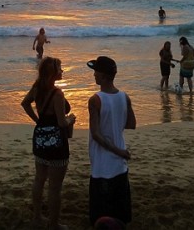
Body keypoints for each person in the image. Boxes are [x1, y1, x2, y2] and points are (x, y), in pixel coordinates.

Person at [21, 56, 75, 230]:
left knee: (39, 178)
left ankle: (37, 217)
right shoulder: (57, 94)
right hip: (56, 141)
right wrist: (71, 119)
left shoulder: (37, 88)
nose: (62, 71)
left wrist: (38, 120)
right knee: (55, 187)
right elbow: (61, 122)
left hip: (40, 137)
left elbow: (25, 103)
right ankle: (54, 224)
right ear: (54, 73)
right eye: (60, 68)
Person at [87, 56, 136, 227]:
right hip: (119, 164)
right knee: (120, 214)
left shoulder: (95, 100)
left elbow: (96, 134)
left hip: (102, 163)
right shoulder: (124, 97)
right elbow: (131, 124)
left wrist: (117, 150)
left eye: (96, 72)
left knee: (101, 217)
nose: (94, 75)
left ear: (103, 75)